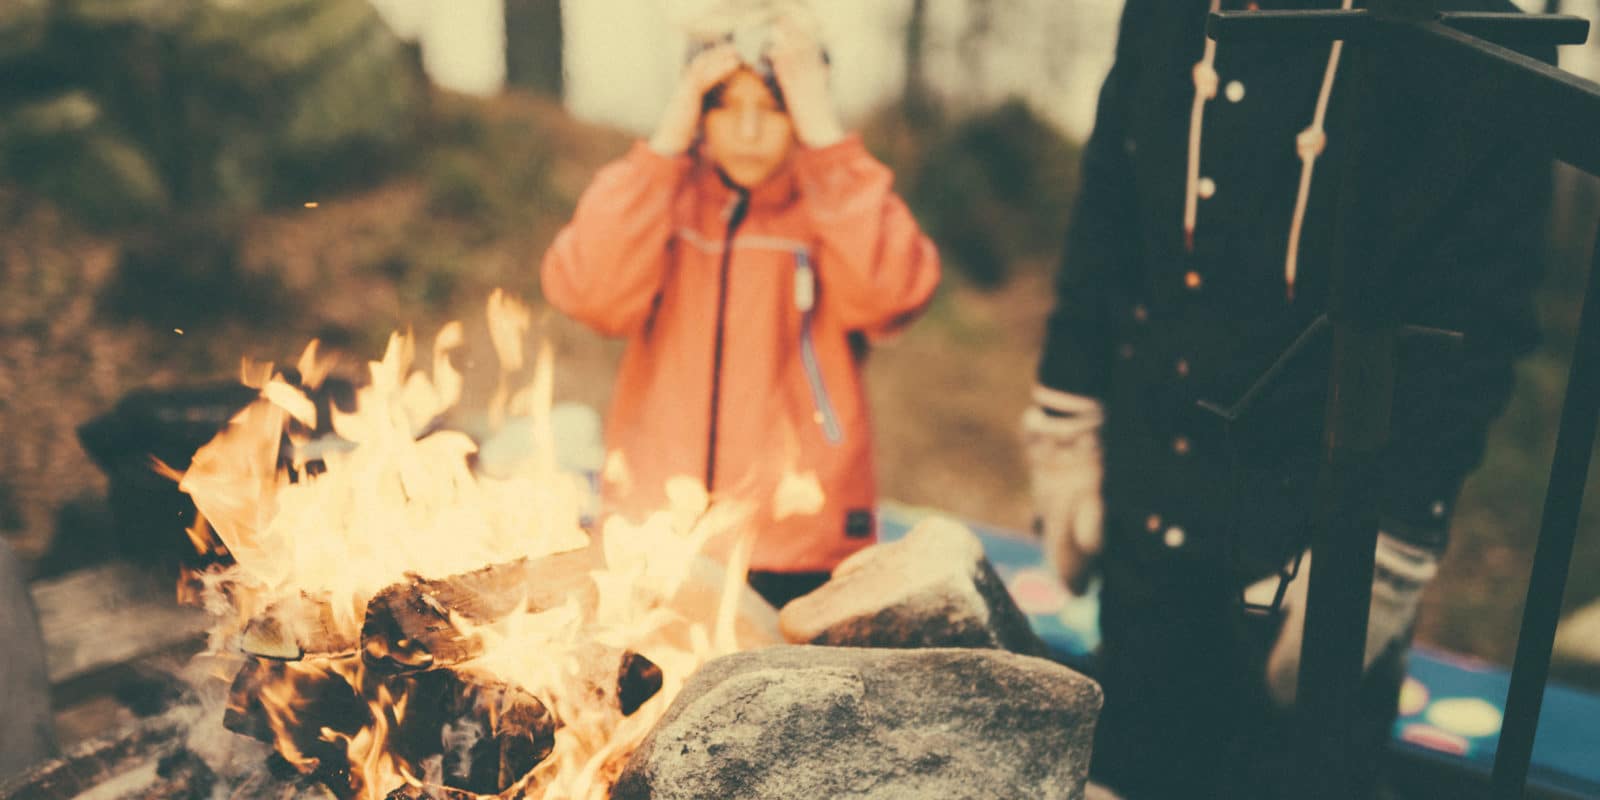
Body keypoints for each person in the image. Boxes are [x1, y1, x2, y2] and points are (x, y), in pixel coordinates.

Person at [1024, 1, 1551, 797]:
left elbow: (1478, 327)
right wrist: (1065, 421)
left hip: (1322, 536)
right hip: (1148, 516)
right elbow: (1106, 222)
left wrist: (1390, 552)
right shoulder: (1163, 14)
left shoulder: (1471, 35)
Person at [541, 6, 939, 609]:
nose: (749, 130)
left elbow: (894, 293)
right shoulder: (666, 201)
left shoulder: (830, 206)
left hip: (797, 545)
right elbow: (588, 292)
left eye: (774, 107)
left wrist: (825, 136)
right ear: (699, 110)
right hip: (656, 536)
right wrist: (667, 140)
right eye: (727, 105)